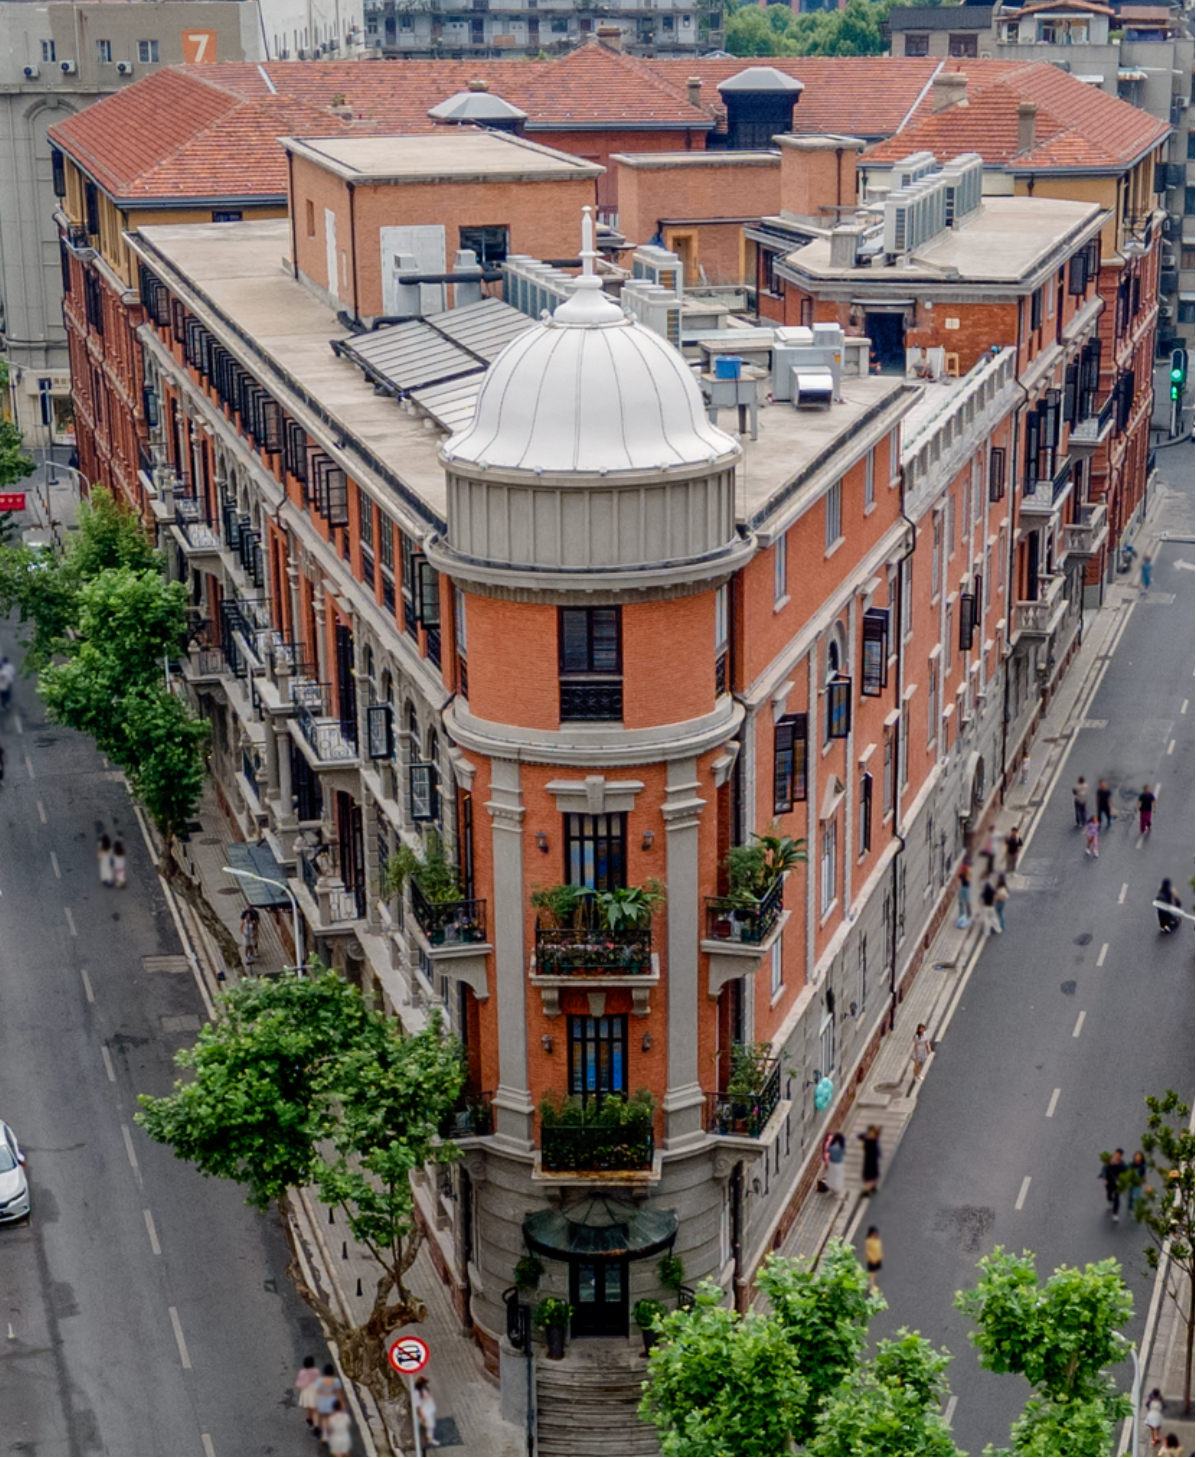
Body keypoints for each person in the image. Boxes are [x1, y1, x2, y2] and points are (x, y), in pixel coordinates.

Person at [313, 1363, 343, 1442]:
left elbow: (317, 1392)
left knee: (324, 1418)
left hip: (322, 1402)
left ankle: (325, 1434)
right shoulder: (336, 1381)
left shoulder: (320, 1381)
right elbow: (338, 1393)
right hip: (332, 1402)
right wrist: (340, 1403)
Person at [294, 1356, 320, 1431]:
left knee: (308, 1407)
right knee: (315, 1409)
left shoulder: (302, 1373)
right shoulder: (316, 1372)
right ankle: (317, 1425)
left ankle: (309, 1419)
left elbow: (299, 1384)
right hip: (314, 1391)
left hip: (306, 1392)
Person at [1101, 1149, 1126, 1223]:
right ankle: (1109, 1200)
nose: (1117, 1156)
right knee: (1109, 1193)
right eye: (1116, 1154)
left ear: (1121, 1156)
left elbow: (1124, 1172)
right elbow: (1104, 1169)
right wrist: (1105, 1178)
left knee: (1117, 1198)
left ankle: (1115, 1213)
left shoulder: (1122, 1164)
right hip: (1109, 1182)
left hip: (1117, 1183)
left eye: (1119, 1155)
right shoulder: (1109, 1161)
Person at [414, 1377, 440, 1449]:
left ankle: (428, 1437)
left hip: (430, 1409)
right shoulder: (416, 1393)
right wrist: (422, 1416)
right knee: (431, 1426)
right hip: (425, 1412)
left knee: (430, 1425)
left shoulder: (424, 1389)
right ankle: (429, 1439)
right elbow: (418, 1405)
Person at [859, 1125, 882, 1195]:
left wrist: (864, 1137)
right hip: (871, 1159)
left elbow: (860, 1137)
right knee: (872, 1174)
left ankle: (867, 1190)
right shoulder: (873, 1140)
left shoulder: (870, 1141)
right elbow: (860, 1136)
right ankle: (872, 1187)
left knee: (868, 1175)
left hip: (870, 1159)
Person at [824, 1132, 846, 1200]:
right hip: (839, 1164)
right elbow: (843, 1153)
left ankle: (833, 1190)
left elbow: (827, 1150)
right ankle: (837, 1193)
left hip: (832, 1164)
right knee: (838, 1178)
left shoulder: (831, 1147)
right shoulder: (841, 1147)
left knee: (832, 1177)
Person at [1126, 1150, 1148, 1218]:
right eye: (1136, 1156)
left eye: (1139, 1156)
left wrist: (1144, 1179)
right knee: (1130, 1195)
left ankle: (1137, 1207)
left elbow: (1143, 1173)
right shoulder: (1131, 1164)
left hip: (1138, 1182)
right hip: (1131, 1181)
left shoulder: (1142, 1165)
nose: (1137, 1158)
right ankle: (1130, 1207)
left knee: (1137, 1195)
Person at [864, 1225, 883, 1291]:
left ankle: (871, 1284)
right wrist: (872, 1258)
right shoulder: (868, 1241)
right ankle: (871, 1288)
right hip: (872, 1260)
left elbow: (878, 1248)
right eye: (874, 1233)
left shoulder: (877, 1240)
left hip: (877, 1259)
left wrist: (880, 1255)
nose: (875, 1234)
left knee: (874, 1273)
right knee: (872, 1274)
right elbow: (867, 1251)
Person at [956, 862, 972, 928]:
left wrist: (966, 873)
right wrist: (960, 872)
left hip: (966, 889)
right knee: (961, 902)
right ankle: (961, 915)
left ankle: (969, 914)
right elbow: (958, 877)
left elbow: (968, 880)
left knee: (967, 902)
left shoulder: (968, 874)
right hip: (962, 888)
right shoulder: (962, 874)